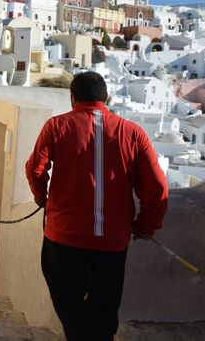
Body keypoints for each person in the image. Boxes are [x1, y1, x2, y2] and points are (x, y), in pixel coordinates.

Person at [25, 71, 168, 341]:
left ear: (72, 98)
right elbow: (158, 188)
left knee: (70, 303)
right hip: (112, 243)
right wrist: (146, 225)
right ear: (107, 98)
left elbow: (35, 170)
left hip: (64, 237)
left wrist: (42, 198)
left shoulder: (56, 127)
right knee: (104, 310)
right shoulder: (133, 133)